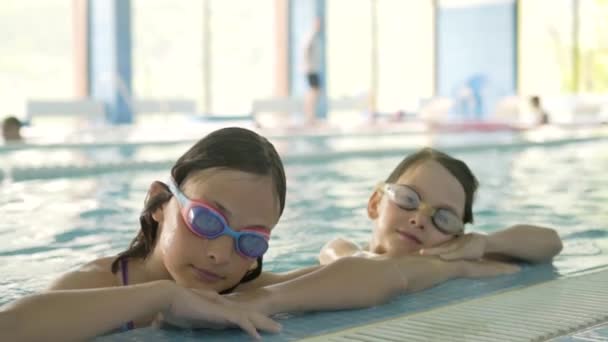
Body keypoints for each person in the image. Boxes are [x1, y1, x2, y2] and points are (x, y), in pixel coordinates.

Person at [0, 130, 520, 341]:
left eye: (250, 240)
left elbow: (372, 275)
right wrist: (165, 296)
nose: (221, 252)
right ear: (161, 204)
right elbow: (13, 326)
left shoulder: (234, 292)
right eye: (206, 220)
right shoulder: (101, 281)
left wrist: (271, 295)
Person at [319, 147, 563, 265]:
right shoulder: (341, 248)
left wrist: (484, 243)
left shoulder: (453, 256)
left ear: (456, 236)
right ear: (375, 203)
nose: (420, 220)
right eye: (408, 199)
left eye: (444, 218)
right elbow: (353, 265)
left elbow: (551, 242)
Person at [303, 17, 323, 125]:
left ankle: (311, 116)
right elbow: (305, 50)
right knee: (313, 92)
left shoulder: (315, 37)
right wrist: (307, 65)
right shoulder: (311, 36)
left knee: (315, 92)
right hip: (311, 69)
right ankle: (310, 117)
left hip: (313, 68)